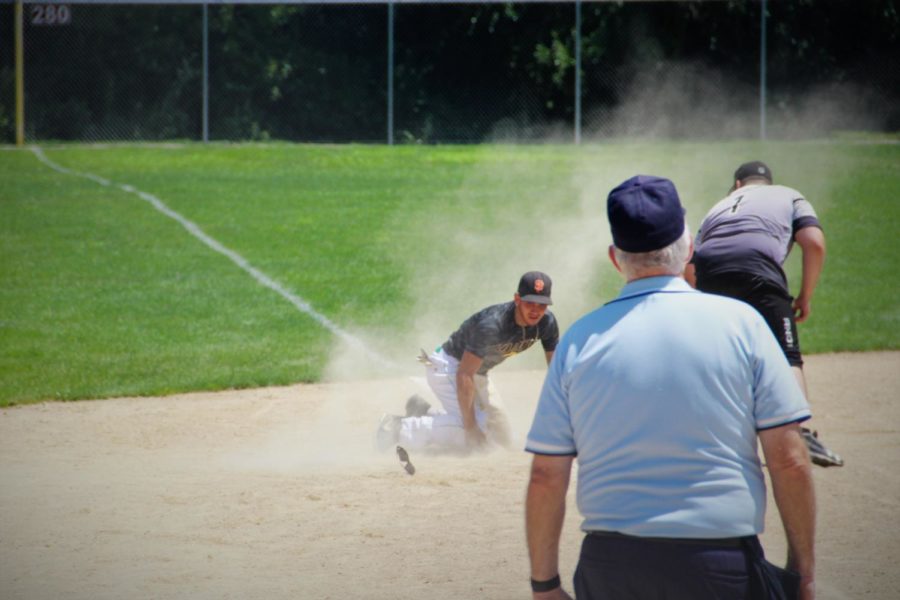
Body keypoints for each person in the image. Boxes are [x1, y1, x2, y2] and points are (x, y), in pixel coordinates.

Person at [525, 175, 816, 600]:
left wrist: (545, 585)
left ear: (614, 257)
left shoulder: (578, 339)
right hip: (719, 565)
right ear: (689, 248)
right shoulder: (744, 325)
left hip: (610, 566)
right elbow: (790, 460)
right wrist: (803, 575)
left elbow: (545, 476)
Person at [684, 160, 842, 467]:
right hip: (760, 275)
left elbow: (690, 265)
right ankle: (800, 434)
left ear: (738, 185)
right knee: (787, 357)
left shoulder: (720, 206)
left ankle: (712, 435)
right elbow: (814, 243)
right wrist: (804, 297)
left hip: (711, 276)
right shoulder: (791, 195)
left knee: (720, 358)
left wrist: (700, 301)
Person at [376, 271, 560, 458]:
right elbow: (463, 374)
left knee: (500, 437)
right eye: (530, 302)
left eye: (542, 304)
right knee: (472, 431)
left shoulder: (547, 324)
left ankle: (423, 411)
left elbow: (556, 371)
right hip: (449, 366)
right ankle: (397, 428)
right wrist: (471, 428)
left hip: (477, 372)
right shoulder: (492, 325)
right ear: (517, 299)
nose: (536, 310)